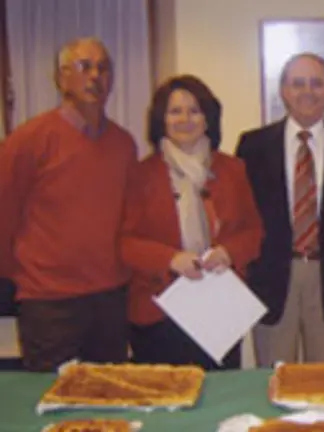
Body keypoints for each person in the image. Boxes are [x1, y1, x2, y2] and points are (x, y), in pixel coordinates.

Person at [0, 37, 136, 371]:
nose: (95, 76)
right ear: (62, 79)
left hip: (110, 300)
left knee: (111, 401)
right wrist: (17, 279)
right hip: (50, 303)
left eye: (103, 68)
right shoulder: (29, 140)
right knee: (54, 404)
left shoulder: (123, 144)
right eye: (84, 66)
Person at [236, 53, 324, 367]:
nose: (307, 91)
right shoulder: (253, 147)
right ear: (284, 90)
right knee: (272, 379)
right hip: (272, 279)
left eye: (317, 83)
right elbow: (242, 218)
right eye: (298, 83)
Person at [120, 75, 264, 370]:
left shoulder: (233, 170)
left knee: (219, 400)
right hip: (158, 310)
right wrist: (170, 259)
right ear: (162, 119)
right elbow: (126, 243)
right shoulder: (140, 174)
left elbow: (253, 231)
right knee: (162, 404)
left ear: (208, 118)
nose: (185, 119)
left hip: (218, 310)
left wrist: (228, 252)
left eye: (194, 110)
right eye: (175, 111)